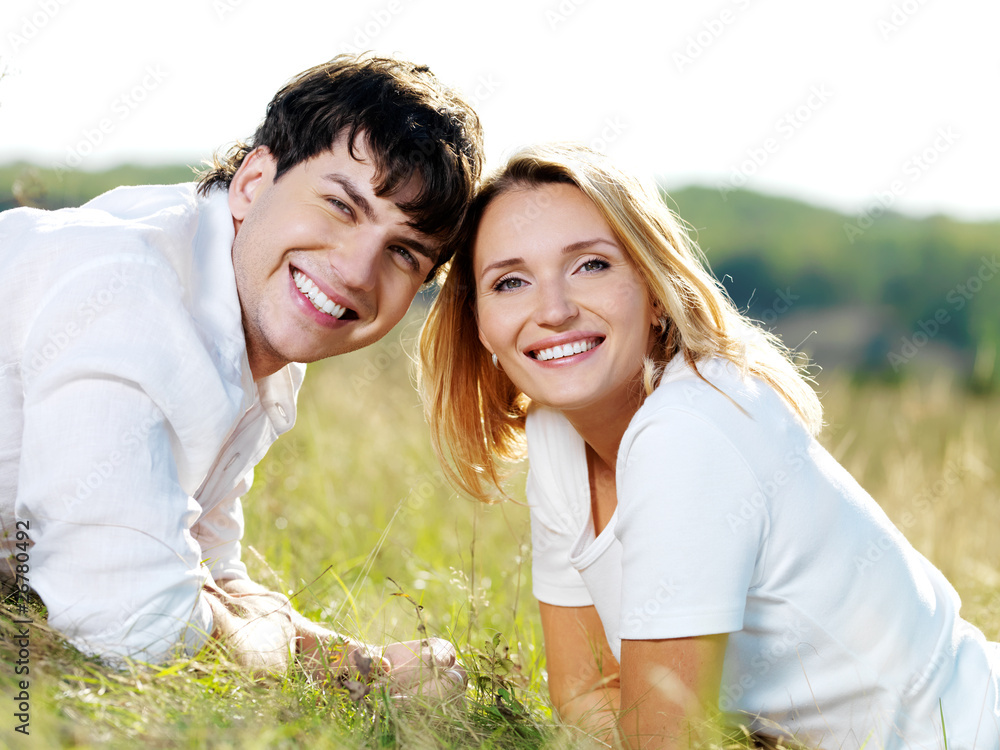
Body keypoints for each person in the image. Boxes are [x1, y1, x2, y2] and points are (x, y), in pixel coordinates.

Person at [418, 143, 1000, 747]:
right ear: (479, 320)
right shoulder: (558, 433)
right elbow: (586, 695)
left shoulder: (690, 429)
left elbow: (659, 739)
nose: (555, 310)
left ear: (653, 286)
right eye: (510, 282)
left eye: (590, 265)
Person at [0, 54, 482, 696]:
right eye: (341, 206)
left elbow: (199, 560)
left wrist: (356, 663)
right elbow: (133, 623)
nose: (358, 272)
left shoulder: (252, 328)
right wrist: (313, 663)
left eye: (403, 252)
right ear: (255, 180)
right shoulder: (128, 298)